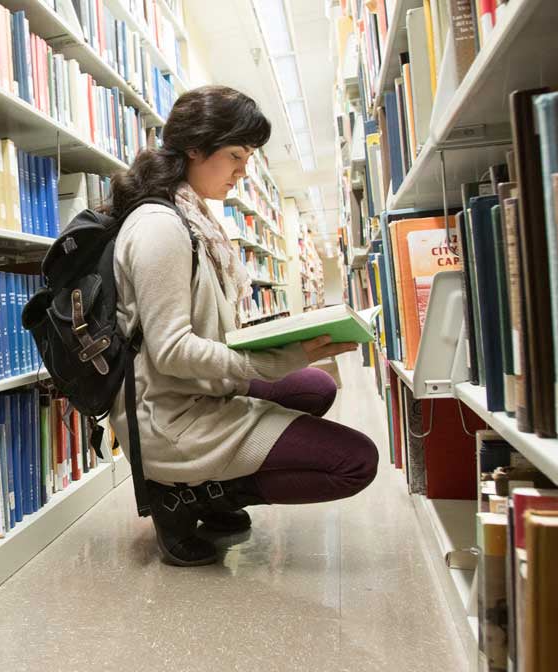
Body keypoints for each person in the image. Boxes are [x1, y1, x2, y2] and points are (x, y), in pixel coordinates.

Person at [106, 86, 379, 567]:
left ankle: (210, 489)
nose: (242, 171)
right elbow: (172, 352)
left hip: (195, 390)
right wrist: (275, 359)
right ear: (195, 147)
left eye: (248, 158)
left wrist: (288, 344)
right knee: (356, 462)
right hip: (170, 416)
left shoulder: (192, 217)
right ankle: (189, 496)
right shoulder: (160, 228)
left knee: (312, 387)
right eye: (235, 156)